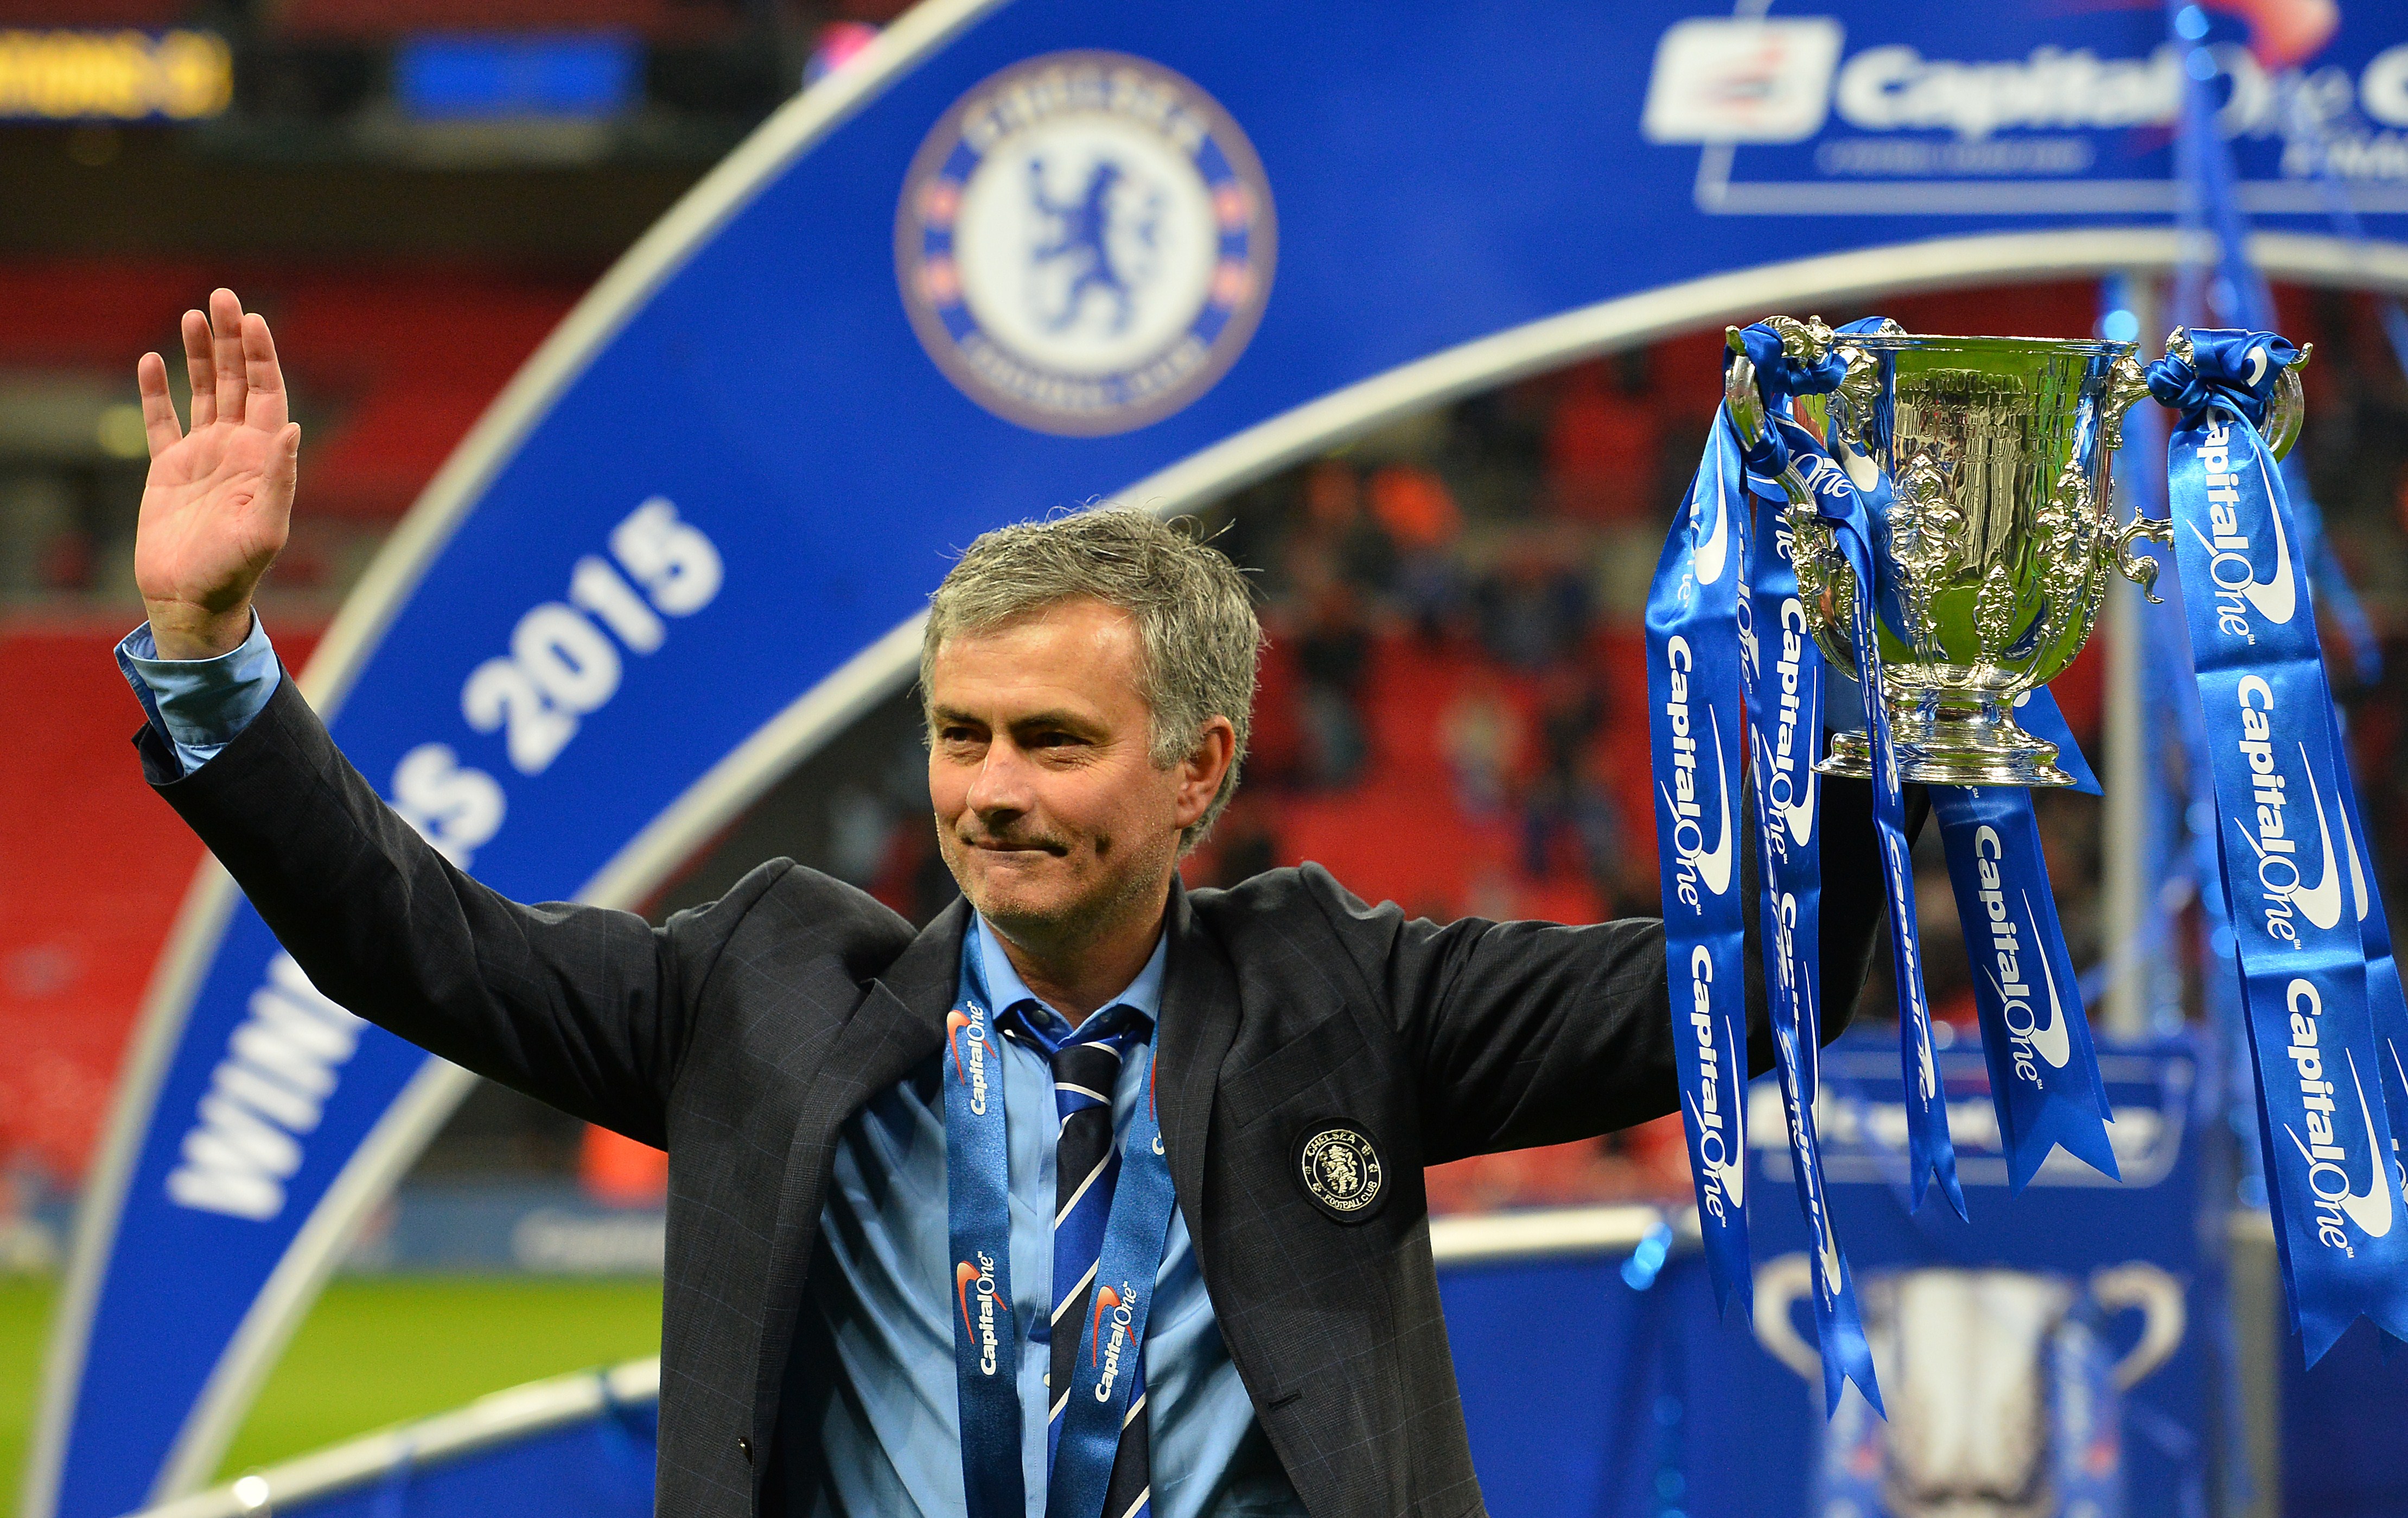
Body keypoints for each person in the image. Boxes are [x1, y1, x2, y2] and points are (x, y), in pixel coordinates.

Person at [120, 291, 1909, 1518]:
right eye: (960, 735)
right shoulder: (763, 989)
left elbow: (1757, 982)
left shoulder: (1345, 997)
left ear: (1199, 770)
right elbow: (400, 936)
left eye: (1054, 741)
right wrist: (210, 657)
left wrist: (1901, 696)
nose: (989, 790)